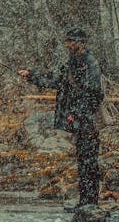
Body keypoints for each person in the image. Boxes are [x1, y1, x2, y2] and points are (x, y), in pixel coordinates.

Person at [18, 27, 104, 211]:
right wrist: (32, 76)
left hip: (88, 120)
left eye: (70, 41)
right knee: (83, 160)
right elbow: (57, 80)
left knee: (89, 161)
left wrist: (77, 113)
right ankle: (85, 203)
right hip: (81, 119)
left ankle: (90, 204)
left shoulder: (90, 63)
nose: (67, 44)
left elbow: (94, 93)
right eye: (67, 41)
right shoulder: (73, 62)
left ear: (81, 43)